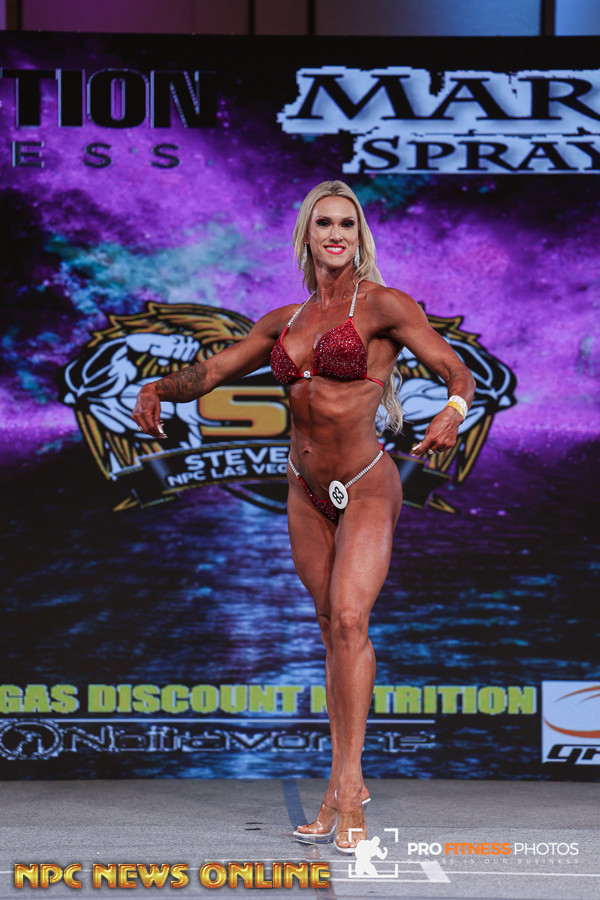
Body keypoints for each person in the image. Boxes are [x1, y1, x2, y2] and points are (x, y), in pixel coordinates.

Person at [131, 180, 475, 854]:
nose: (336, 234)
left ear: (359, 235)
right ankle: (341, 784)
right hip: (304, 490)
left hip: (367, 485)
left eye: (347, 223)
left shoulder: (384, 305)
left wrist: (453, 412)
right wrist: (157, 387)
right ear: (307, 236)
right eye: (324, 224)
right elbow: (212, 373)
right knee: (328, 630)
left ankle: (347, 789)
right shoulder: (284, 322)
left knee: (349, 620)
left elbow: (456, 371)